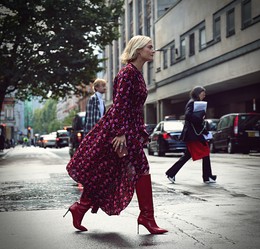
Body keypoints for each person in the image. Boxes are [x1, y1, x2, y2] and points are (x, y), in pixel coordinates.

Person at [65, 35, 167, 234]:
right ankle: (146, 217)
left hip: (129, 130)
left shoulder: (137, 74)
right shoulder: (127, 74)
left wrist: (139, 130)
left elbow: (133, 107)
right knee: (141, 168)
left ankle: (79, 208)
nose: (153, 50)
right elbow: (120, 105)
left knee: (106, 172)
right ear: (138, 50)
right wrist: (120, 134)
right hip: (119, 131)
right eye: (150, 47)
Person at [165, 86, 217, 184]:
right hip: (194, 135)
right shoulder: (193, 102)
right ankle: (207, 176)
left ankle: (171, 173)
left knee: (189, 155)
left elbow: (195, 120)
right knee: (204, 152)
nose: (204, 94)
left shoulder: (194, 102)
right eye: (202, 93)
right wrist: (201, 116)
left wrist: (205, 130)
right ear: (197, 93)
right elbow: (188, 116)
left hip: (194, 135)